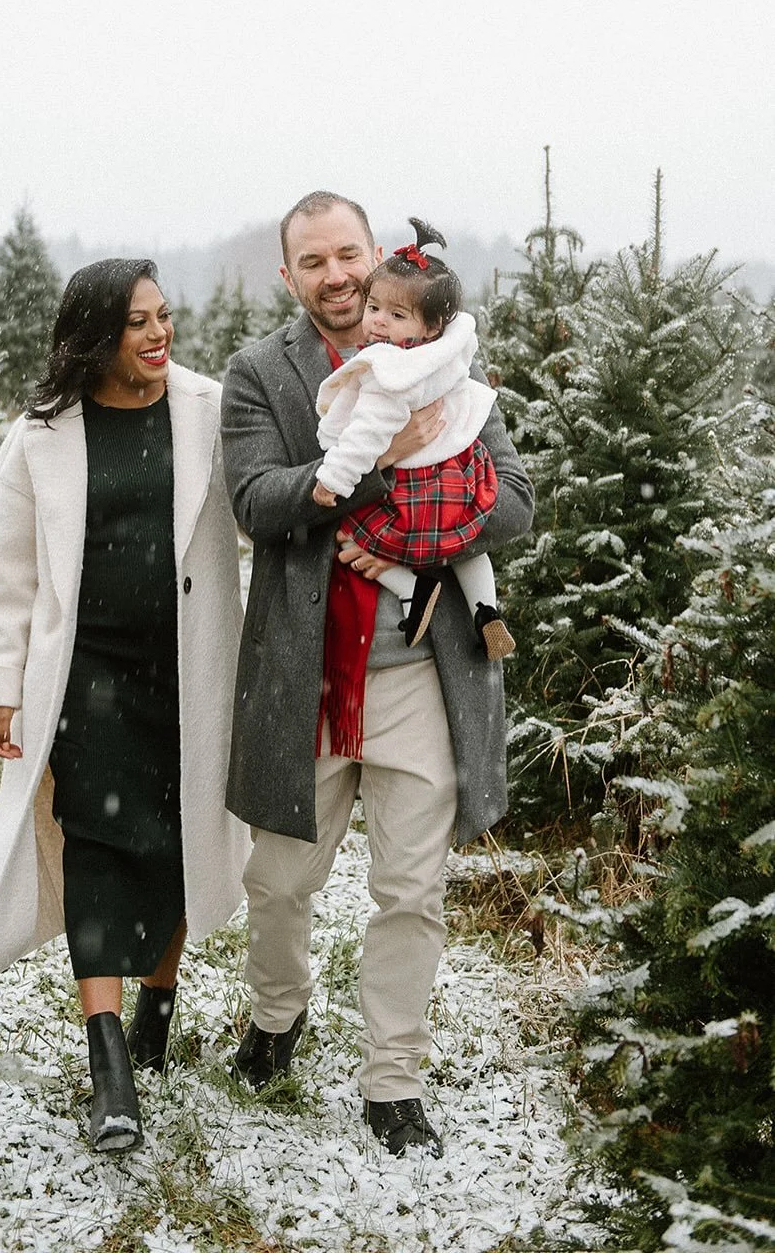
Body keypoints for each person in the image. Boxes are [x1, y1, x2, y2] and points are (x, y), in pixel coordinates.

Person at [220, 192, 534, 1157]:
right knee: (279, 879)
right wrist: (384, 462)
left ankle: (393, 1079)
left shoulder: (440, 355)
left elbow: (516, 502)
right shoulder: (259, 373)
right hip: (306, 676)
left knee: (411, 888)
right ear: (290, 276)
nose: (338, 276)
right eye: (313, 262)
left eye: (348, 254)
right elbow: (257, 502)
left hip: (417, 677)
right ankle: (278, 1014)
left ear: (374, 255)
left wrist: (420, 535)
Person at [0, 257, 250, 1155]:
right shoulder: (40, 436)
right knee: (94, 841)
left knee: (174, 840)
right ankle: (109, 1064)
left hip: (187, 672)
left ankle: (158, 1004)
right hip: (85, 680)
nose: (159, 333)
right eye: (137, 322)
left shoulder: (207, 411)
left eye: (163, 315)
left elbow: (260, 516)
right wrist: (0, 683)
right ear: (97, 336)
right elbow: (9, 575)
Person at [312, 216, 515, 661]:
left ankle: (411, 587)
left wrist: (334, 479)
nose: (379, 323)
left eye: (397, 315)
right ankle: (486, 609)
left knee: (349, 533)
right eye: (374, 309)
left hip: (410, 491)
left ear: (430, 325)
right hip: (459, 475)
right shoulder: (445, 353)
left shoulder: (388, 369)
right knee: (467, 532)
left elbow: (366, 433)